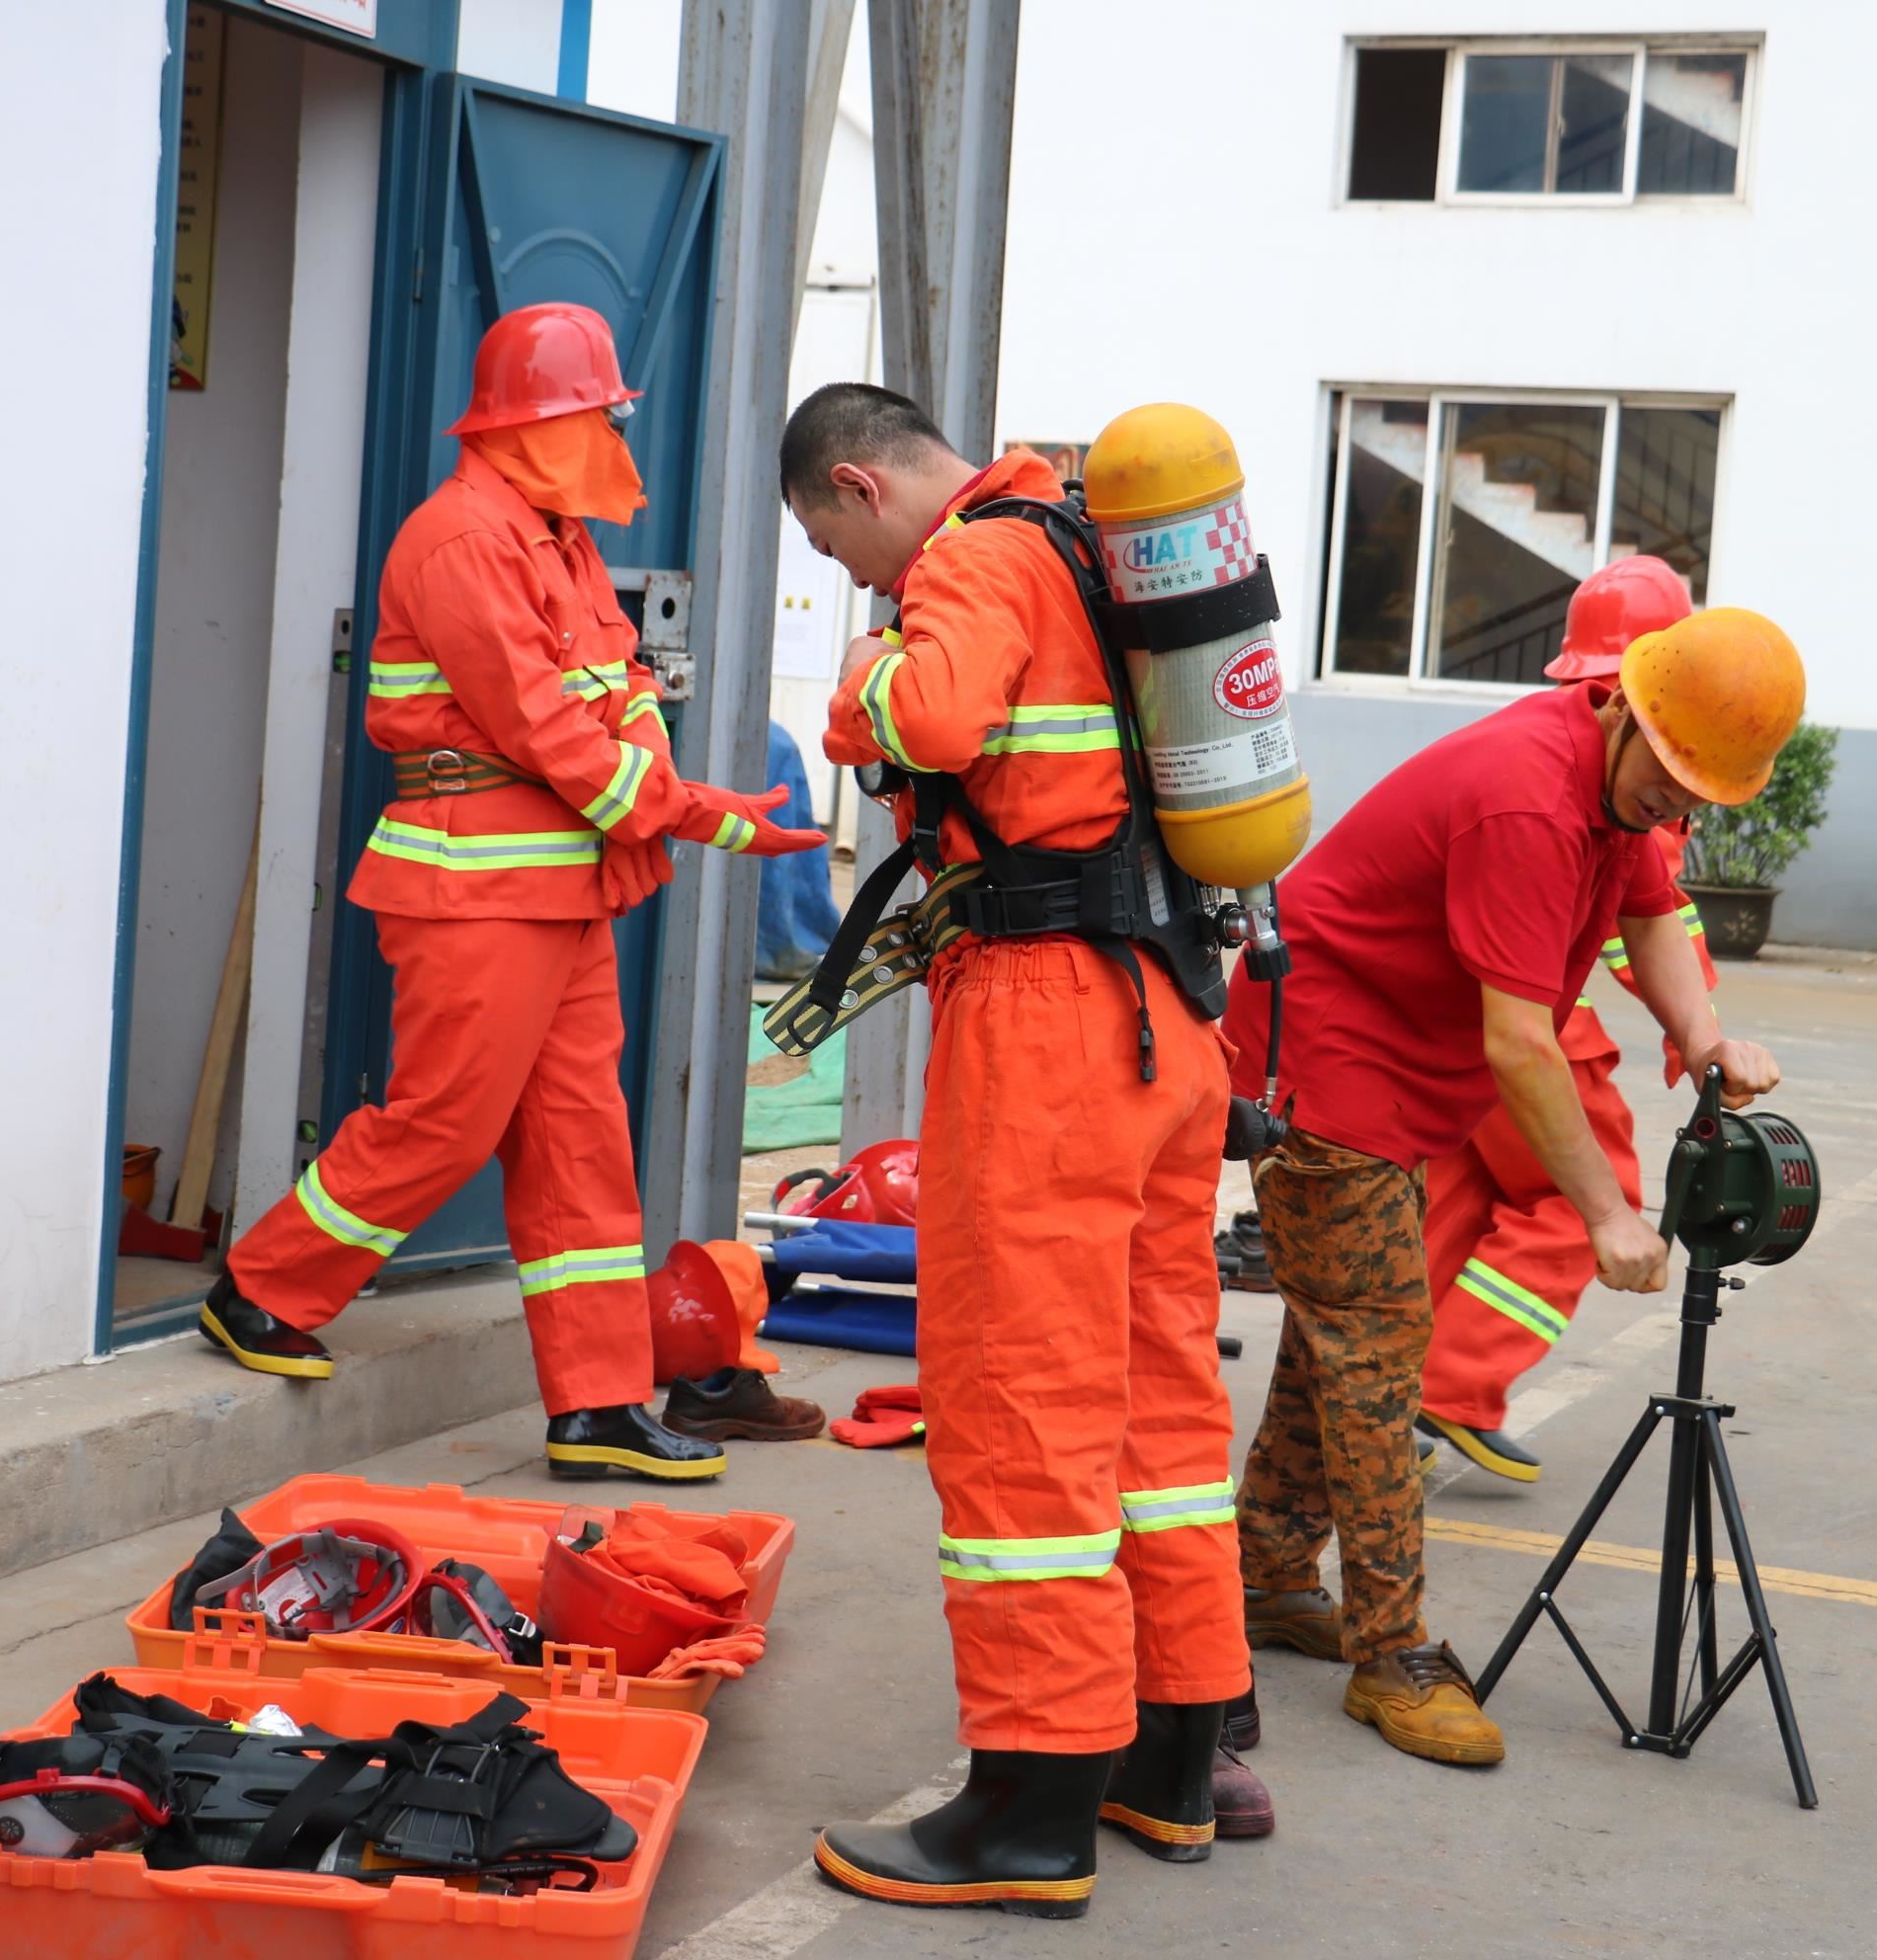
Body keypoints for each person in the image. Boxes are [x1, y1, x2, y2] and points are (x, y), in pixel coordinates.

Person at [200, 301, 825, 1485]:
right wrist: (691, 811)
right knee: (447, 1118)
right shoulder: (461, 539)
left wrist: (661, 789)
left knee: (583, 1146)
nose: (611, 444)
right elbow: (544, 725)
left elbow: (623, 683)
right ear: (542, 423)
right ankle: (263, 1286)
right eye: (597, 417)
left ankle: (595, 1403)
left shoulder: (558, 537)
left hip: (554, 885)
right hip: (475, 883)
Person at [780, 382, 1260, 1918]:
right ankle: (1172, 1758)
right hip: (1173, 1017)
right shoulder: (1088, 543)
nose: (861, 584)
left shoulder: (977, 557)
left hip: (1052, 1021)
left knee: (1020, 1396)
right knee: (1159, 1396)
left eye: (840, 550)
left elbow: (928, 720)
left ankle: (1031, 1802)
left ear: (862, 485)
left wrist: (862, 671)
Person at [1224, 606, 1805, 1768]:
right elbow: (1522, 1044)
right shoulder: (1528, 798)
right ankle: (1391, 1655)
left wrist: (1704, 1038)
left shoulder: (1615, 784)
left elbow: (1650, 914)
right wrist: (1606, 1212)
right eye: (1673, 778)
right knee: (1381, 1345)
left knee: (1339, 1333)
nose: (1675, 808)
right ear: (1622, 707)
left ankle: (1268, 1575)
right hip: (1326, 1060)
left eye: (1700, 792)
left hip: (1394, 1064)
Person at [1417, 556, 1718, 1482]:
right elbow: (1642, 921)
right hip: (1536, 1029)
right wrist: (1695, 1033)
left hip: (1452, 1026)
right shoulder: (1637, 763)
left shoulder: (1550, 731)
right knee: (1582, 1203)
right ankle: (1451, 1391)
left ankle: (1391, 1395)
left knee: (1455, 1206)